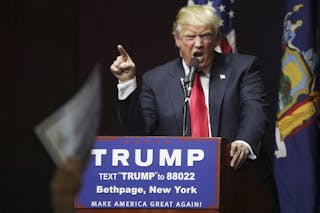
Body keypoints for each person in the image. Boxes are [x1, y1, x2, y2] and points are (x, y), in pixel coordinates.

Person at [110, 4, 279, 212]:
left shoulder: (243, 68)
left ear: (217, 39)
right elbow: (137, 133)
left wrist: (244, 141)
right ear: (177, 39)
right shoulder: (156, 80)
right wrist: (127, 83)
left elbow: (255, 109)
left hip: (239, 182)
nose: (198, 44)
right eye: (190, 37)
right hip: (183, 191)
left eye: (206, 36)